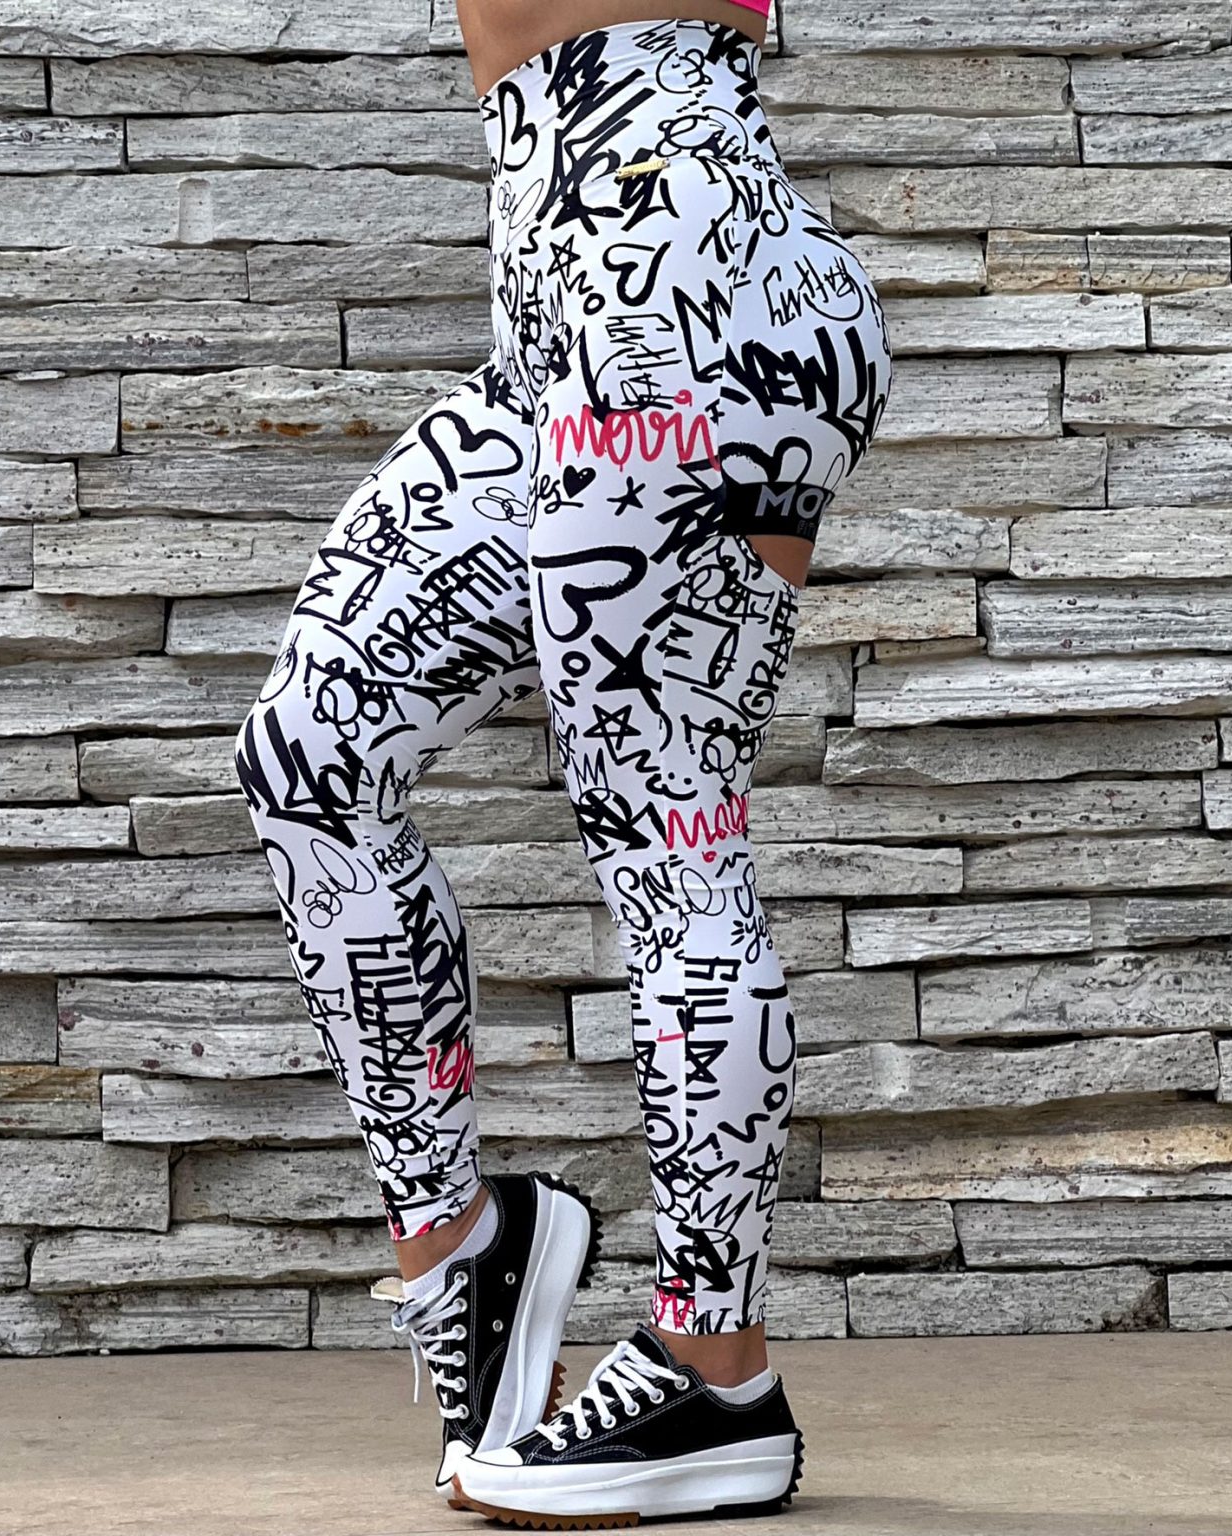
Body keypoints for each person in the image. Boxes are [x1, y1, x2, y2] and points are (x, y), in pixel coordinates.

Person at [233, 1, 893, 1525]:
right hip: (559, 296)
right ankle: (469, 1247)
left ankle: (717, 1374)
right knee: (310, 754)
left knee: (669, 831)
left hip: (684, 270)